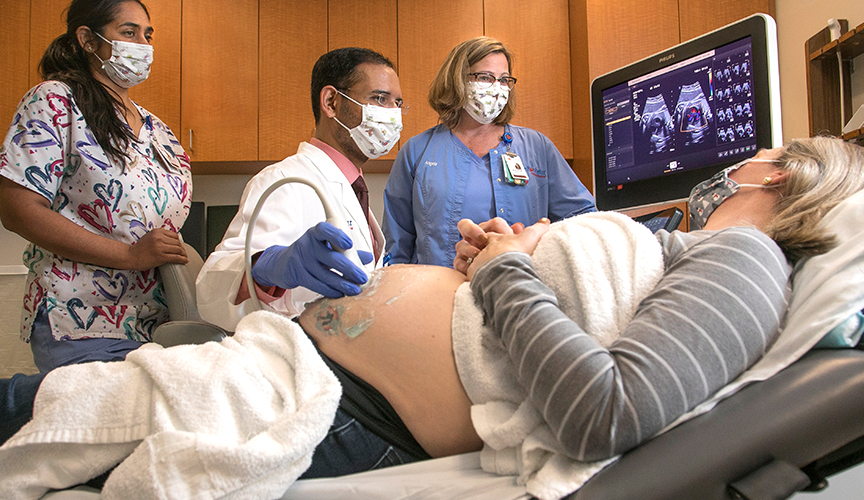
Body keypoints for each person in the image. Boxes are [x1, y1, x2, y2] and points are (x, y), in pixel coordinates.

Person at [2, 138, 863, 493]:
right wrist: (514, 261)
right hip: (310, 367)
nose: (739, 160)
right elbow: (564, 317)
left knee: (33, 411)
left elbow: (609, 410)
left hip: (349, 408)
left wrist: (502, 274)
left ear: (780, 174)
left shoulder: (746, 260)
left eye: (758, 154)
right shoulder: (691, 250)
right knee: (48, 406)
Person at [0, 0, 191, 373]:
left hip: (155, 326)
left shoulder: (158, 130)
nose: (143, 45)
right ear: (88, 39)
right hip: (82, 320)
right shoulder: (55, 101)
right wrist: (129, 257)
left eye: (147, 35)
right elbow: (17, 208)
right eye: (129, 32)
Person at [196, 47, 405, 332]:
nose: (392, 114)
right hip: (295, 355)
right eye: (379, 98)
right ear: (331, 102)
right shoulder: (283, 181)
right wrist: (269, 268)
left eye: (398, 103)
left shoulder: (352, 186)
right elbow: (213, 287)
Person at [382, 36, 596, 267]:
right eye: (484, 77)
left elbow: (584, 219)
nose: (496, 88)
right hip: (440, 291)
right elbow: (396, 246)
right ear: (457, 80)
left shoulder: (537, 147)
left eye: (504, 80)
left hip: (521, 286)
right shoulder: (417, 151)